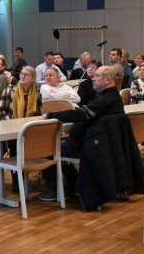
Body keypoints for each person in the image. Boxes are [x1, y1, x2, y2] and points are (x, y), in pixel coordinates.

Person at [38, 66, 124, 201]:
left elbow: (82, 114)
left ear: (107, 80)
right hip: (100, 145)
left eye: (97, 76)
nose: (93, 79)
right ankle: (73, 184)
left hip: (88, 146)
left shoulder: (106, 100)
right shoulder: (113, 98)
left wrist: (51, 115)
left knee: (48, 149)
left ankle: (54, 190)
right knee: (63, 145)